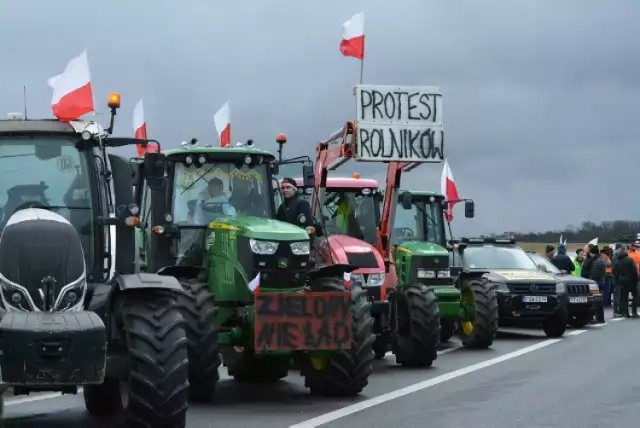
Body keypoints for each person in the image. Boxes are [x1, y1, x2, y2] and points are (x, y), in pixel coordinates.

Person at [613, 243, 639, 318]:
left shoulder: (617, 261)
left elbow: (614, 271)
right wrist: (637, 278)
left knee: (624, 297)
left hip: (622, 281)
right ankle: (634, 312)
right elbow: (634, 270)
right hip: (632, 280)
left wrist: (618, 278)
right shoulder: (629, 259)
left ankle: (626, 313)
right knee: (635, 296)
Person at [611, 243, 623, 317]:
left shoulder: (618, 256)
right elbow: (614, 269)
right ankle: (616, 311)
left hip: (619, 278)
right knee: (616, 295)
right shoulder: (615, 257)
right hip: (617, 279)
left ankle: (618, 310)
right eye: (621, 248)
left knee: (619, 295)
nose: (621, 250)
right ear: (618, 249)